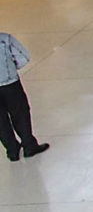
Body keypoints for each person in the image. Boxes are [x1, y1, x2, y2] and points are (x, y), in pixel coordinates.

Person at [0, 31, 49, 160]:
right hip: (10, 83)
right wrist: (11, 68)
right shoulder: (5, 39)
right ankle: (29, 145)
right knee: (20, 113)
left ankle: (12, 151)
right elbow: (23, 57)